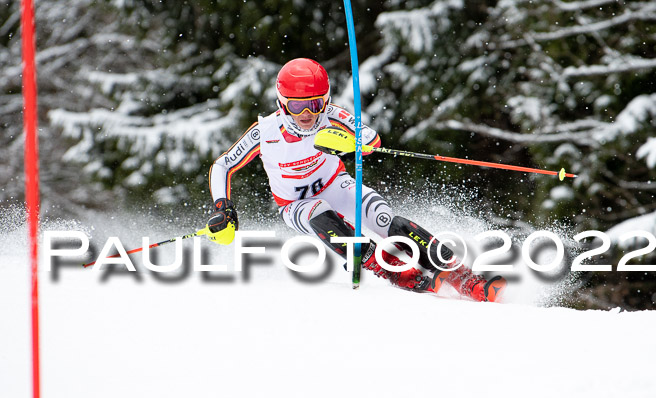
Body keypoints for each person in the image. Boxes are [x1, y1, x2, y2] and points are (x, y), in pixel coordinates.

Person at [204, 57, 506, 302]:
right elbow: (223, 165)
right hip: (295, 204)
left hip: (336, 184)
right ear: (282, 103)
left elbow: (370, 138)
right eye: (296, 106)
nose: (307, 114)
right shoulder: (265, 132)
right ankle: (392, 269)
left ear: (326, 100)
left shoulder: (333, 116)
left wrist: (354, 145)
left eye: (315, 103)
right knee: (321, 214)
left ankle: (464, 278)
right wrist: (223, 206)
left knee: (389, 220)